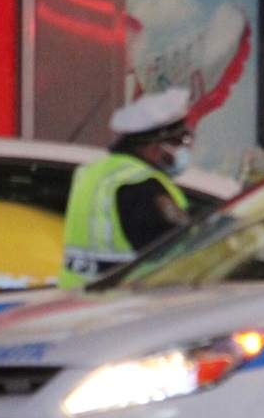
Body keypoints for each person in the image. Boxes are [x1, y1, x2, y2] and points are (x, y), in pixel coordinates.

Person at [58, 88, 193, 290]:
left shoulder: (92, 172)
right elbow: (173, 248)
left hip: (78, 300)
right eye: (180, 142)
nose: (184, 150)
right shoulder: (141, 185)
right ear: (155, 147)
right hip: (125, 302)